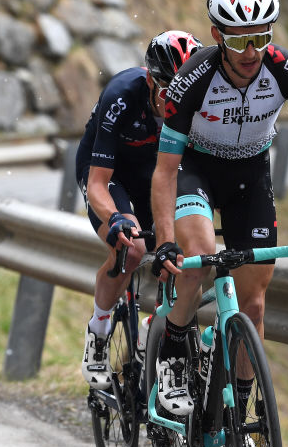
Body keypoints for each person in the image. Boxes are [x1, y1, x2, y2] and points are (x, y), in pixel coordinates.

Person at [150, 0, 288, 414]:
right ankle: (172, 353)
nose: (251, 52)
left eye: (261, 38)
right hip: (195, 169)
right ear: (216, 35)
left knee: (255, 306)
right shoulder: (191, 80)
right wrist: (166, 241)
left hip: (249, 175)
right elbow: (165, 170)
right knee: (198, 259)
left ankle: (240, 419)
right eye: (239, 40)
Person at [76, 29, 203, 390]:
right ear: (151, 81)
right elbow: (97, 183)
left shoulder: (198, 105)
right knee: (132, 249)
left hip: (154, 172)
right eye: (168, 93)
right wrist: (115, 217)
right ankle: (99, 331)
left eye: (184, 94)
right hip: (108, 171)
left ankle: (155, 326)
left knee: (179, 251)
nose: (175, 103)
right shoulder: (122, 95)